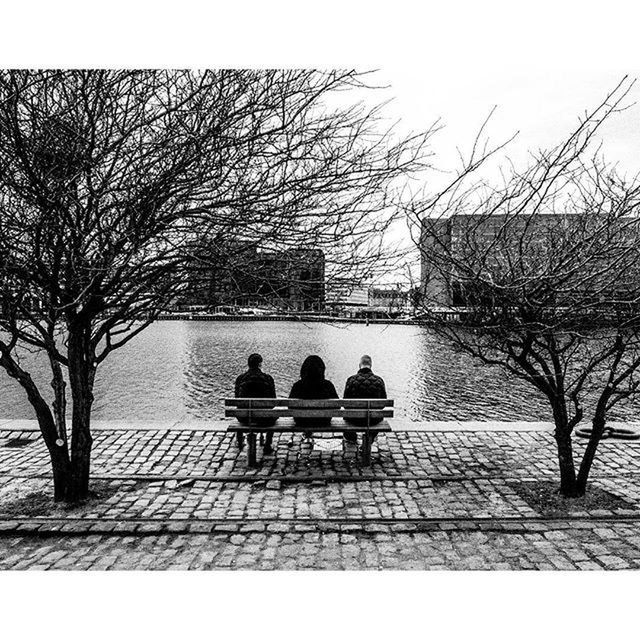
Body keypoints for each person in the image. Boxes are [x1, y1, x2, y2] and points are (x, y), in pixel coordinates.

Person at [234, 353, 277, 454]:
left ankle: (240, 441)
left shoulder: (240, 379)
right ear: (260, 364)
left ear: (248, 364)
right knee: (273, 413)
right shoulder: (268, 378)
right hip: (265, 418)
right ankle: (267, 444)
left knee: (239, 410)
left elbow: (237, 400)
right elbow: (273, 402)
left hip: (245, 418)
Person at [342, 354, 387, 444]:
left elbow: (345, 403)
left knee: (346, 416)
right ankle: (369, 438)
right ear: (371, 366)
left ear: (359, 366)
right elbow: (383, 403)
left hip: (354, 419)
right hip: (373, 420)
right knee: (378, 416)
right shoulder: (379, 380)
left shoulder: (351, 380)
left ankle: (351, 438)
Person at [289, 355, 338, 434]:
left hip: (301, 421)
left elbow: (290, 406)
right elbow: (337, 405)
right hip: (323, 421)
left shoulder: (297, 386)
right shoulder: (328, 385)